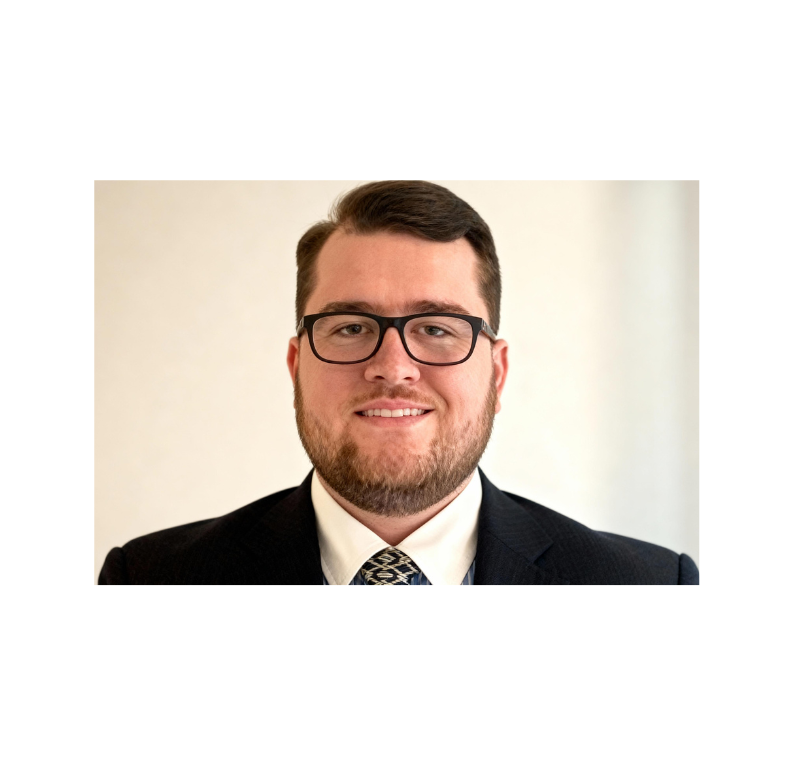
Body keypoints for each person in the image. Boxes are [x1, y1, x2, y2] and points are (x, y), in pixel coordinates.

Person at [98, 180, 699, 585]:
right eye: (351, 327)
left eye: (436, 328)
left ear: (496, 372)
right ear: (296, 364)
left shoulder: (649, 588)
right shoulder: (147, 581)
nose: (392, 366)